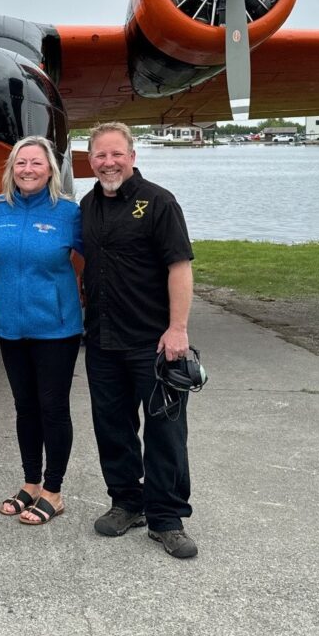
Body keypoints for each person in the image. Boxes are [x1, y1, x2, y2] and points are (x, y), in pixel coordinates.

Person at [80, 121, 198, 559]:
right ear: (89, 161)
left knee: (166, 430)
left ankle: (167, 517)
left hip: (153, 341)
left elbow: (179, 267)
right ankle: (126, 501)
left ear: (132, 156)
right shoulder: (88, 205)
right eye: (99, 156)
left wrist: (178, 328)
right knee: (113, 426)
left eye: (116, 154)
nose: (108, 162)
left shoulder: (159, 203)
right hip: (102, 340)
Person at [0, 135, 83, 525]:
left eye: (36, 163)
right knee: (25, 407)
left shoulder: (68, 213)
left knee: (53, 408)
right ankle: (31, 483)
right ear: (11, 169)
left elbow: (96, 256)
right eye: (21, 163)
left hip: (56, 328)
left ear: (51, 169)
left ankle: (54, 491)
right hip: (9, 324)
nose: (28, 170)